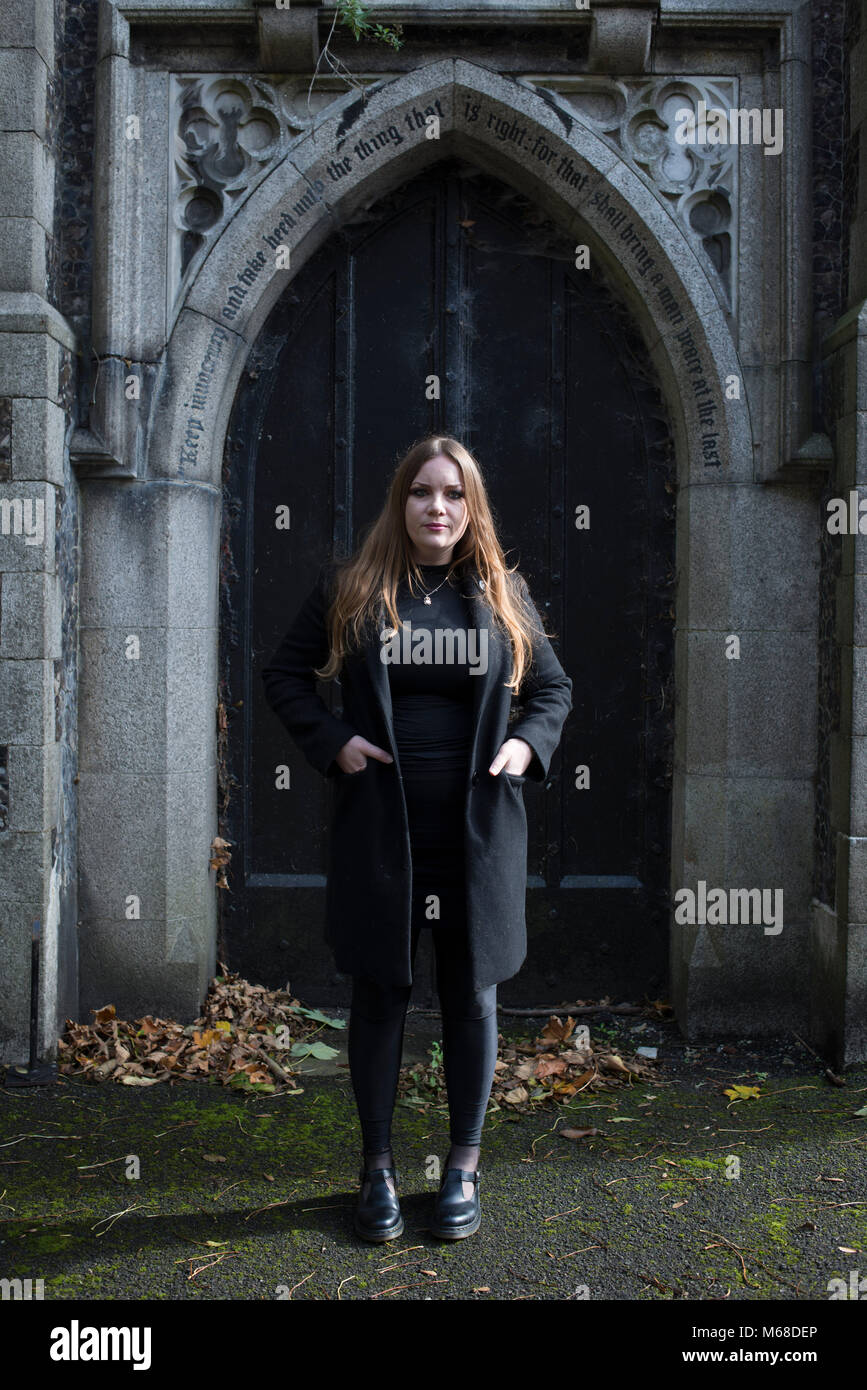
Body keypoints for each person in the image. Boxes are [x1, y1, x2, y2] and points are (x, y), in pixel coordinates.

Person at [261, 435, 572, 1242]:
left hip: (476, 838)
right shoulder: (356, 588)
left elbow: (552, 688)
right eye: (422, 492)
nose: (438, 507)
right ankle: (377, 1172)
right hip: (381, 836)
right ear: (400, 502)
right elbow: (284, 674)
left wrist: (526, 745)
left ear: (471, 509)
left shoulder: (502, 592)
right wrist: (332, 741)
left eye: (453, 494)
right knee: (381, 994)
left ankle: (462, 1169)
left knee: (471, 995)